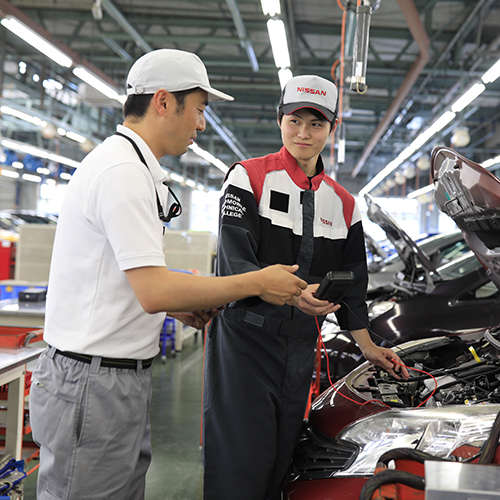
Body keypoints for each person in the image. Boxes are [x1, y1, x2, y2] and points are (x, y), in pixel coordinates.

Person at [29, 49, 308, 500]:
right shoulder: (121, 172)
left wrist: (179, 307)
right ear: (163, 102)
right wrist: (259, 281)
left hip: (113, 380)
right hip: (92, 384)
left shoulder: (134, 168)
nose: (201, 124)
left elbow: (127, 274)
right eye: (198, 109)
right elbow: (154, 289)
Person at [202, 74, 409, 500]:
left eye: (316, 124)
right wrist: (294, 293)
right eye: (295, 120)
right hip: (245, 342)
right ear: (280, 120)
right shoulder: (246, 179)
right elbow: (234, 262)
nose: (303, 133)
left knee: (283, 463)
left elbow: (354, 280)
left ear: (331, 129)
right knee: (239, 465)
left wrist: (369, 346)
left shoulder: (344, 204)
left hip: (299, 349)